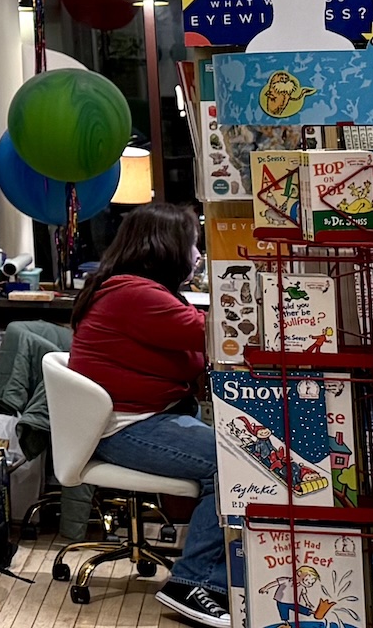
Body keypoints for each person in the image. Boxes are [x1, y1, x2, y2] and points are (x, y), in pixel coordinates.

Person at [65, 201, 227, 628]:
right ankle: (194, 583)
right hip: (126, 428)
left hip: (138, 420)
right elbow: (211, 333)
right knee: (234, 463)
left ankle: (213, 576)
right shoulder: (136, 295)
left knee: (235, 455)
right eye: (193, 245)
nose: (197, 255)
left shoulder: (128, 288)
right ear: (166, 248)